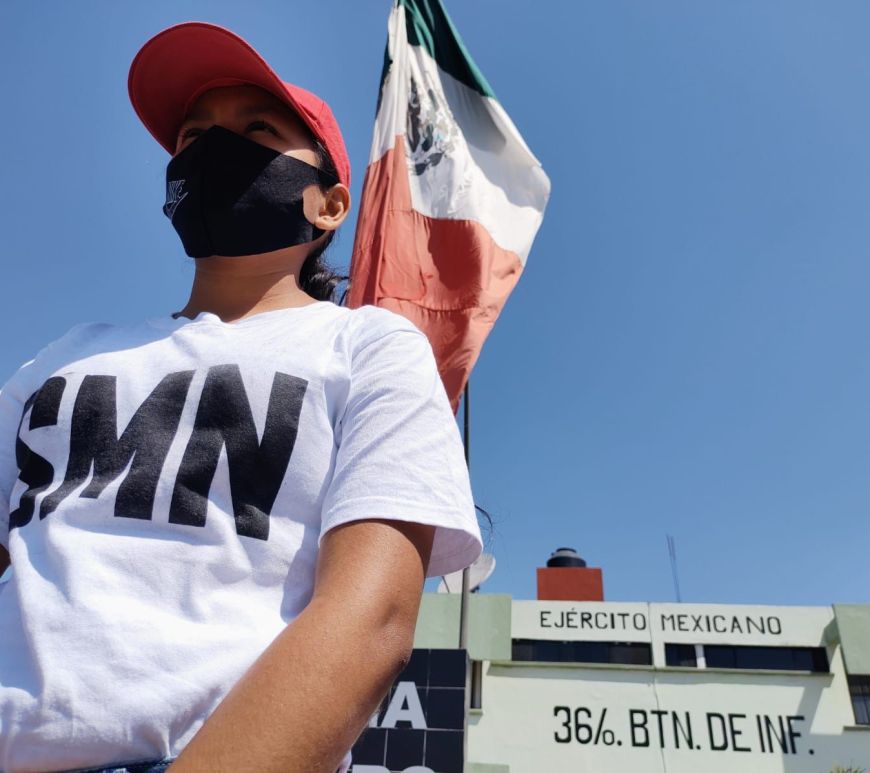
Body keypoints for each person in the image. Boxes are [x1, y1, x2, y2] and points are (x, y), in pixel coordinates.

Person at [0, 21, 484, 773]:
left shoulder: (369, 349)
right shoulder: (65, 355)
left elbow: (373, 617)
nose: (213, 149)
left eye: (257, 129)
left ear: (329, 205)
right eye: (193, 136)